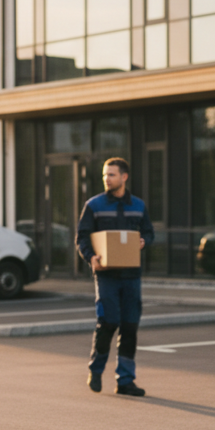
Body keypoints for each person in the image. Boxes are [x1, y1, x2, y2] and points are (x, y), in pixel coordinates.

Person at [76, 157, 154, 397]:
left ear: (124, 177)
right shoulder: (94, 205)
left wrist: (144, 241)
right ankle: (96, 370)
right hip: (107, 276)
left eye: (111, 175)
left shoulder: (139, 206)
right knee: (108, 322)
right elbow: (82, 237)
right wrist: (91, 258)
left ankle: (126, 380)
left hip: (131, 275)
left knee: (130, 327)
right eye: (104, 175)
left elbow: (149, 233)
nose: (106, 179)